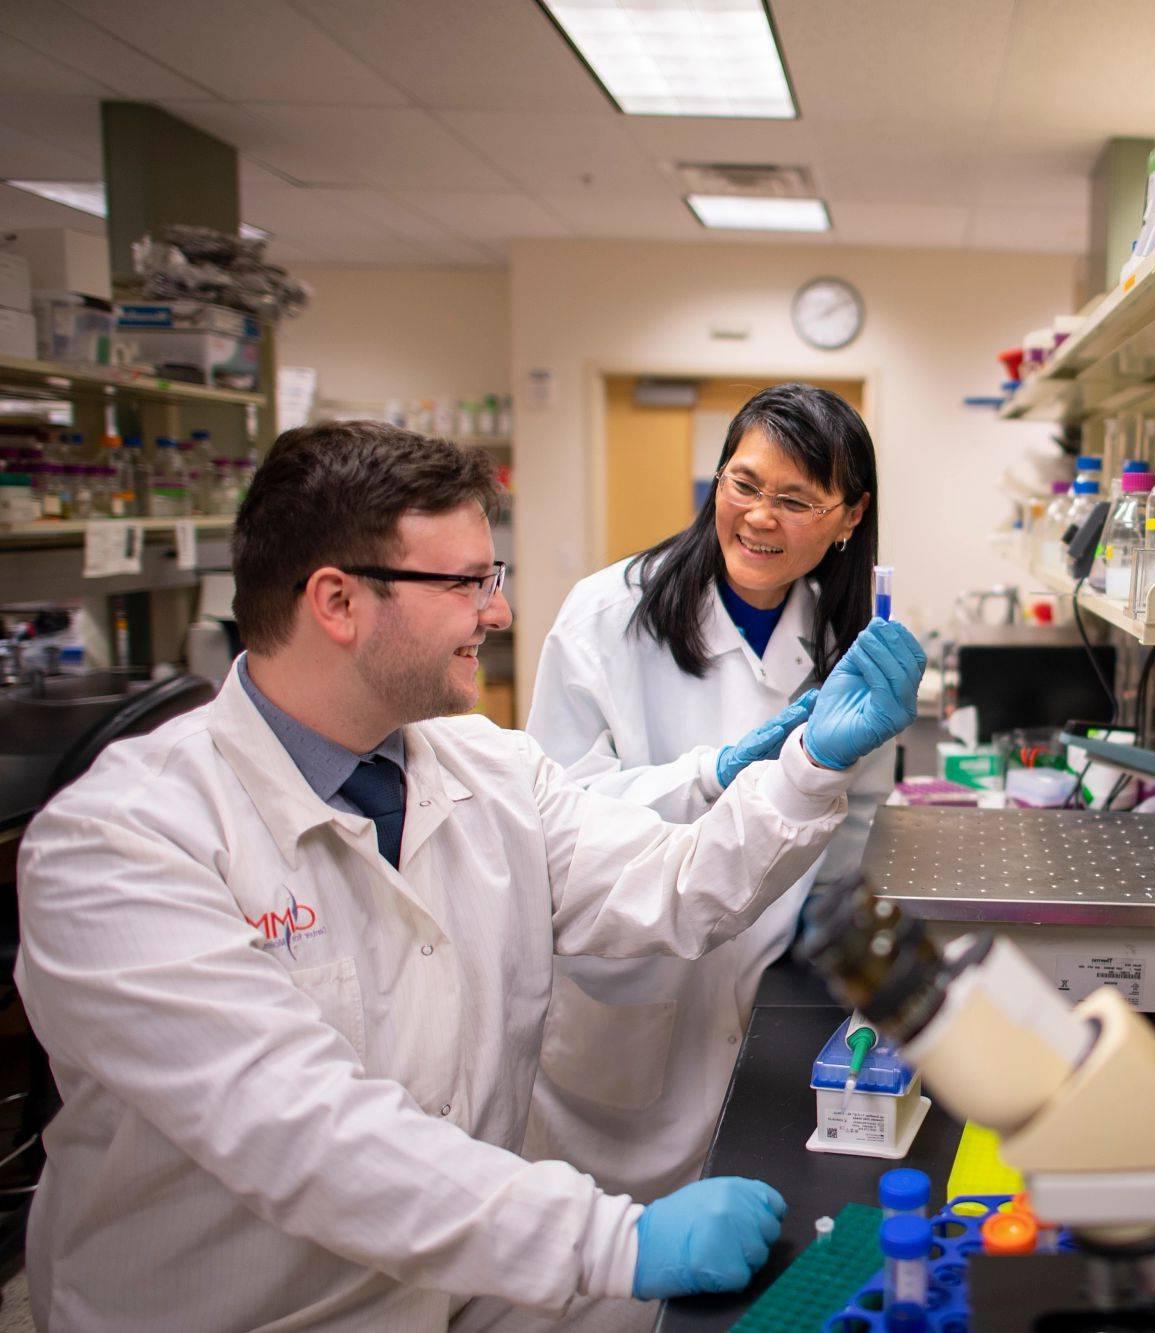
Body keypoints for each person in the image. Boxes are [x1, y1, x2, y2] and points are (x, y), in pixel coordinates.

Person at [12, 420, 925, 1331]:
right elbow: (308, 1133)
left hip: (470, 1295)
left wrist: (807, 766)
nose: (497, 612)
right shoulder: (119, 843)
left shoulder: (487, 768)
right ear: (337, 601)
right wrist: (617, 1243)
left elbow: (671, 884)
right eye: (467, 584)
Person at [455, 384, 895, 1333]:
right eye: (743, 483)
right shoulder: (604, 616)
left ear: (849, 515)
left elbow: (846, 814)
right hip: (629, 992)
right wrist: (712, 774)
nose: (759, 517)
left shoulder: (842, 634)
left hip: (764, 993)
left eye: (796, 499)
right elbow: (556, 814)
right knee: (589, 1292)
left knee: (730, 1285)